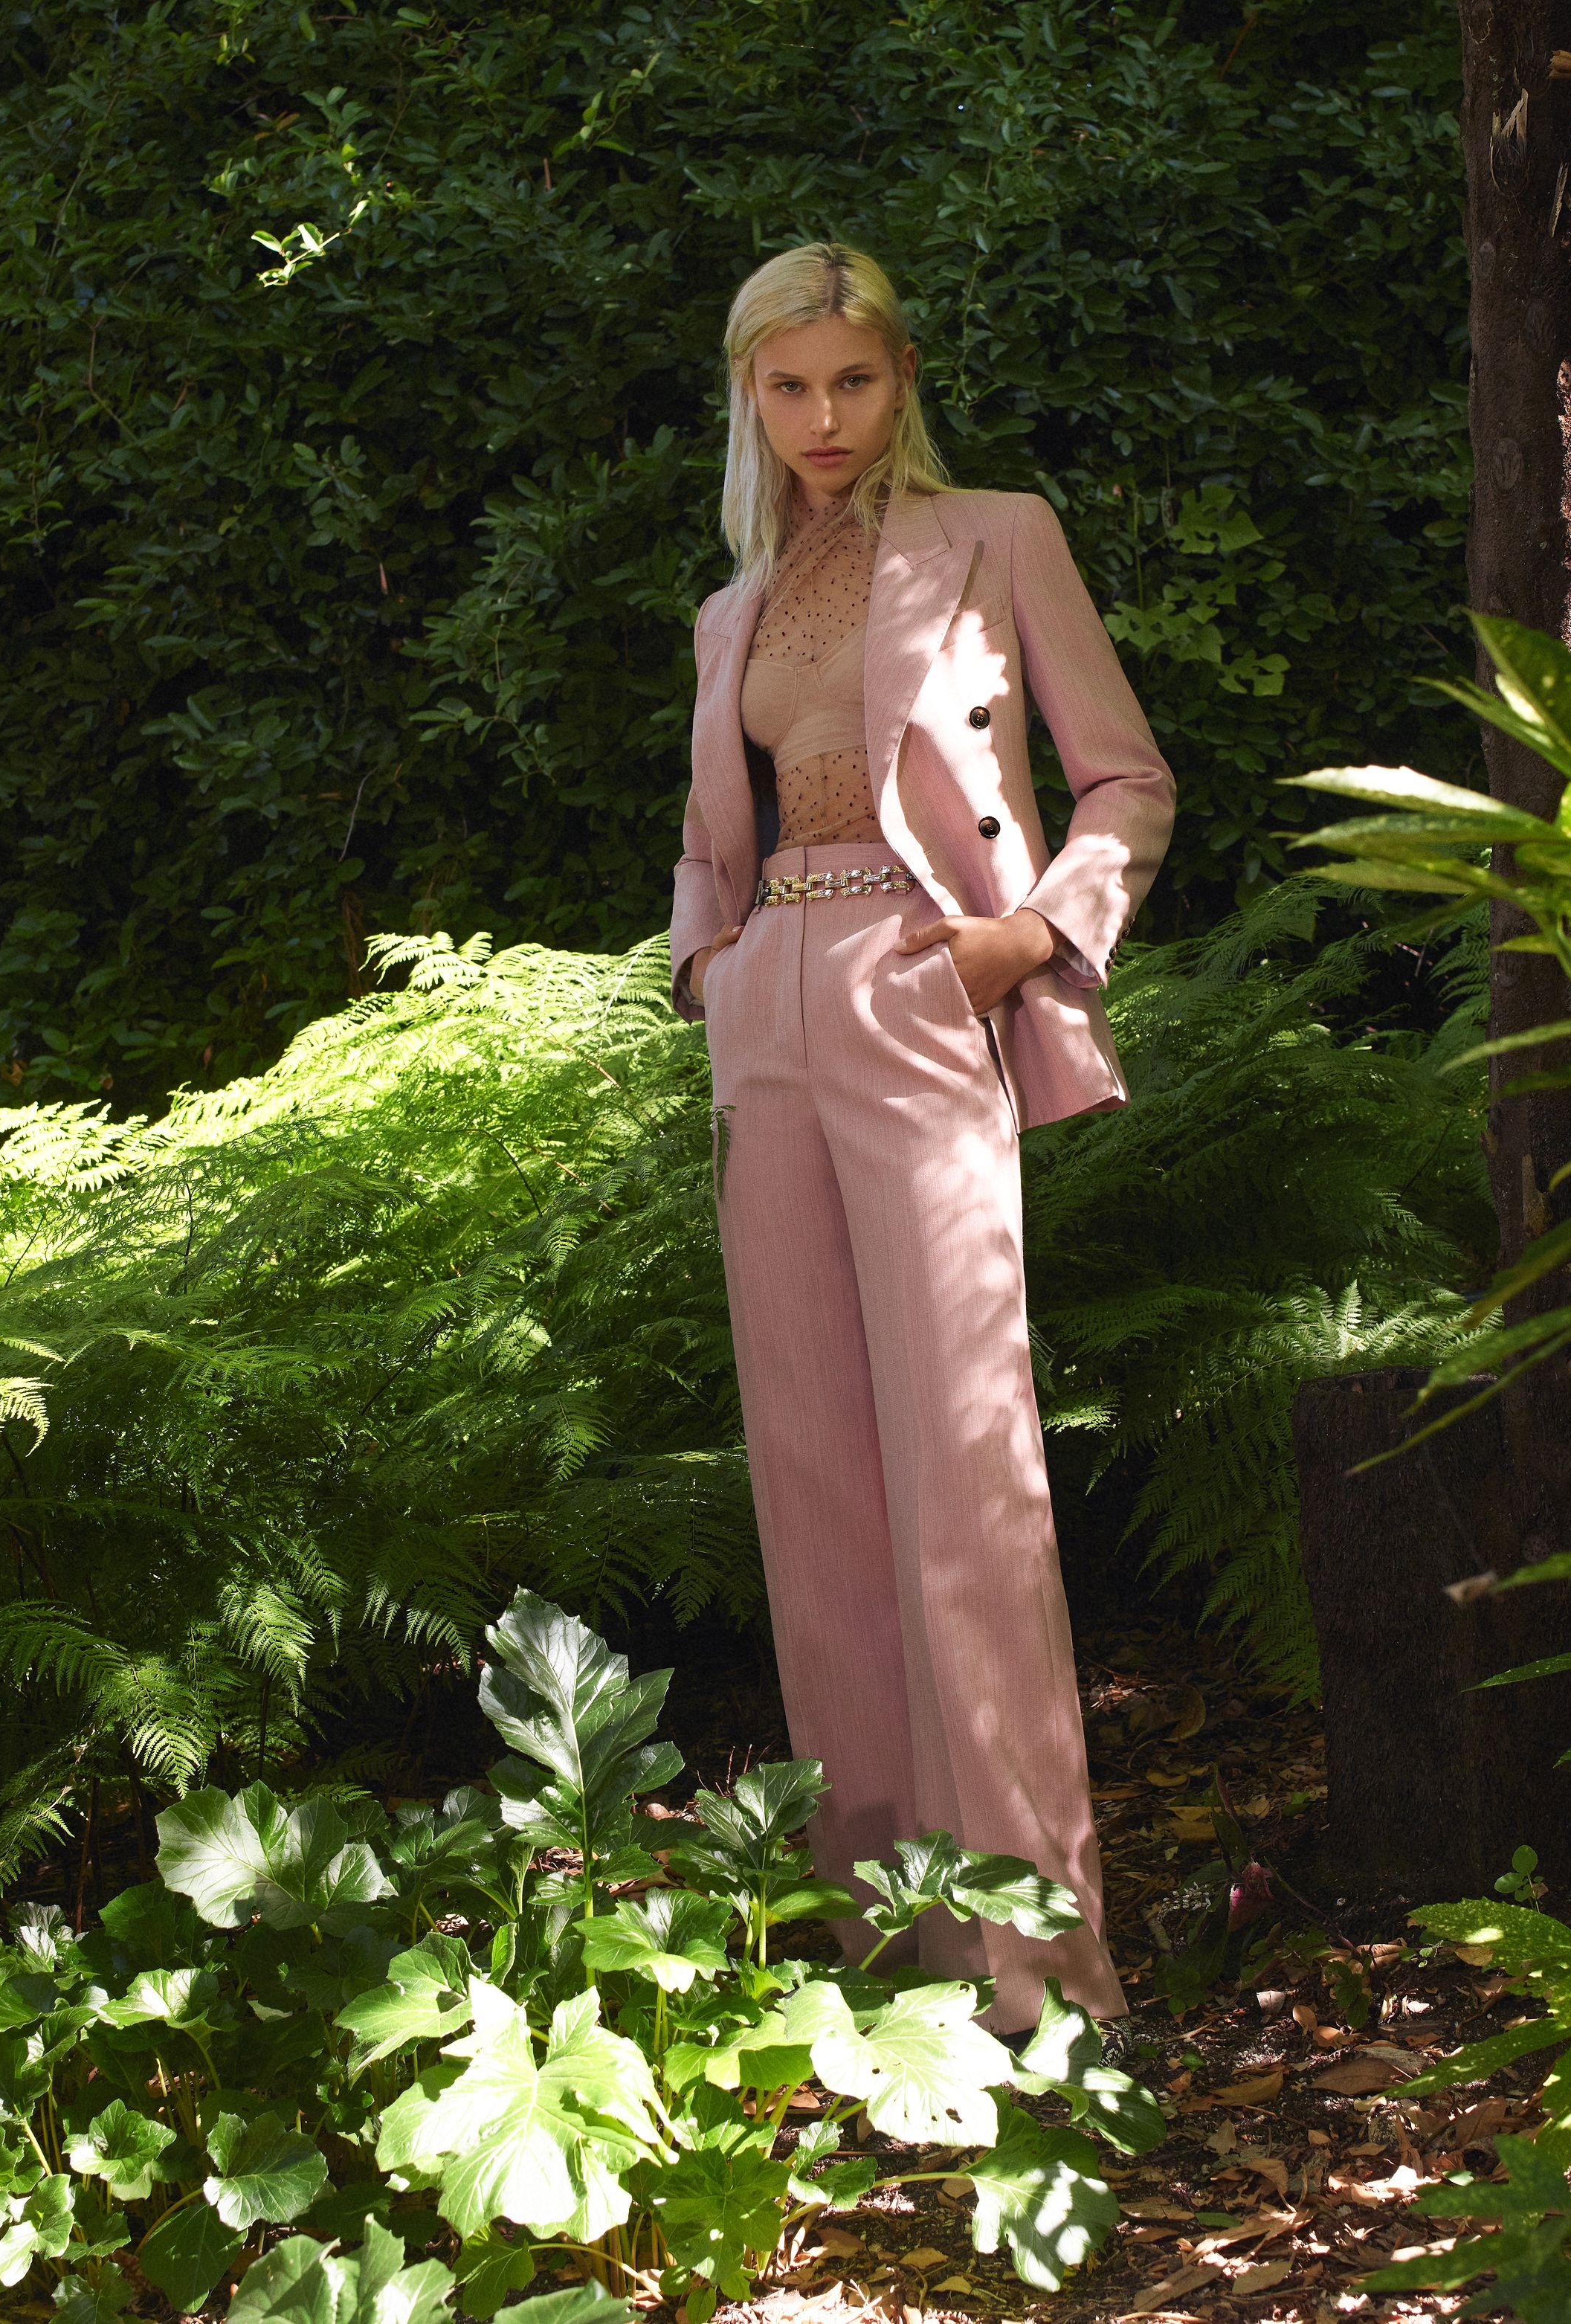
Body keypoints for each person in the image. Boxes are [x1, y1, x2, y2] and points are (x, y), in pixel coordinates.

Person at [670, 241, 1173, 2032]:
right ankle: (884, 1955)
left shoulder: (999, 537)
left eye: (852, 382)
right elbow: (707, 837)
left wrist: (1028, 939)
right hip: (767, 1026)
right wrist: (706, 967)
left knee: (965, 1482)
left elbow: (1126, 772)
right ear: (748, 395)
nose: (821, 420)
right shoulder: (731, 610)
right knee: (814, 1489)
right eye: (786, 387)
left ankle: (1038, 1973)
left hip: (915, 984)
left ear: (900, 379)